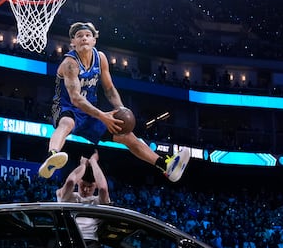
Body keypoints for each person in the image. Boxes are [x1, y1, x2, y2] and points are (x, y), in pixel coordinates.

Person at [38, 21, 190, 182]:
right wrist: (103, 116)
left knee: (127, 136)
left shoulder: (100, 58)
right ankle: (52, 156)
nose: (84, 38)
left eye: (88, 35)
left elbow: (109, 89)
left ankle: (165, 165)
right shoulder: (70, 64)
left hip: (90, 111)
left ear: (94, 41)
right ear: (73, 43)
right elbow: (75, 98)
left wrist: (121, 109)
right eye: (79, 36)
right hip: (66, 107)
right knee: (67, 123)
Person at [56, 151, 109, 248]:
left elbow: (103, 188)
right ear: (79, 181)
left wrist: (93, 161)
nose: (86, 190)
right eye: (83, 185)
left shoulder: (97, 200)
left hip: (91, 243)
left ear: (95, 185)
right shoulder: (67, 197)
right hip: (69, 241)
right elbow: (71, 181)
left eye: (90, 187)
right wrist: (83, 165)